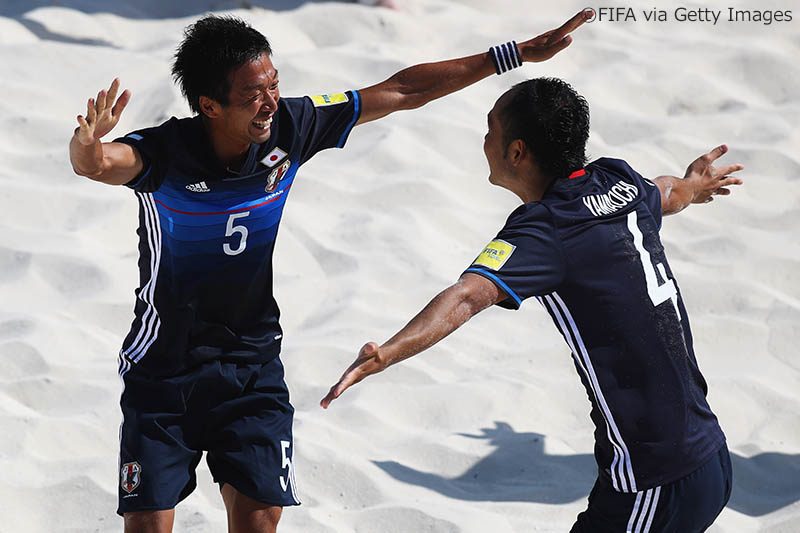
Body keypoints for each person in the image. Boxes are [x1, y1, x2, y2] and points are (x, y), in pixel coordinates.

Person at [68, 9, 593, 533]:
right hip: (164, 370)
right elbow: (99, 164)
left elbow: (403, 90)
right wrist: (87, 145)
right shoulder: (166, 154)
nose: (270, 101)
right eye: (253, 94)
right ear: (209, 106)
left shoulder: (291, 126)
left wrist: (513, 55)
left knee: (260, 518)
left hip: (251, 364)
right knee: (148, 524)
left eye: (274, 84)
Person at [321, 77, 744, 532]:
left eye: (490, 131)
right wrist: (693, 185)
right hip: (708, 455)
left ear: (517, 152)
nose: (484, 141)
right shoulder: (619, 180)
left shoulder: (545, 229)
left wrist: (386, 354)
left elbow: (466, 296)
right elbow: (665, 192)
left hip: (656, 480)